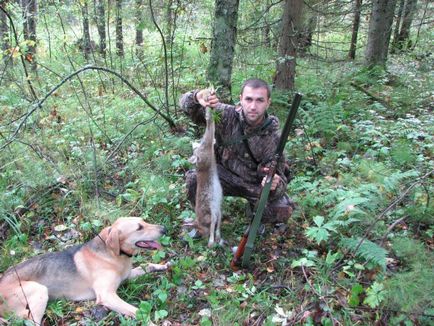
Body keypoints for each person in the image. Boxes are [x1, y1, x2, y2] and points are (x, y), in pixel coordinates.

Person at [180, 78, 294, 231]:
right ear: (241, 99)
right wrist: (196, 97)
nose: (253, 106)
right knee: (195, 179)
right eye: (249, 99)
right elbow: (186, 107)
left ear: (268, 103)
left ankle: (255, 214)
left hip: (253, 185)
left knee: (282, 208)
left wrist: (275, 183)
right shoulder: (225, 115)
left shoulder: (273, 139)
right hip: (223, 175)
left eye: (260, 100)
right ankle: (205, 221)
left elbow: (280, 182)